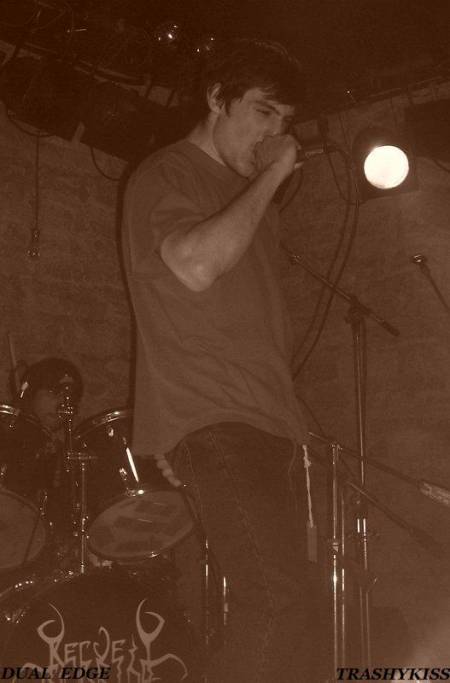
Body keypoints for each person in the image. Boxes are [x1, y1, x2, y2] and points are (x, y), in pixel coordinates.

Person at [122, 38, 318, 682]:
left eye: (285, 121)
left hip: (265, 425)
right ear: (216, 98)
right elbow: (193, 266)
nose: (275, 134)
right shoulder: (166, 173)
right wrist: (272, 175)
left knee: (295, 613)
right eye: (263, 112)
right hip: (215, 420)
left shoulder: (251, 203)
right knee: (277, 603)